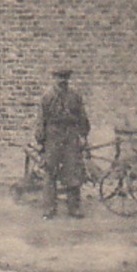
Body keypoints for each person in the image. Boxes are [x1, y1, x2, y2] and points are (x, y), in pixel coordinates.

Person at [38, 68, 90, 219]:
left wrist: (84, 134)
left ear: (68, 79)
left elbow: (82, 116)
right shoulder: (47, 97)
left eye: (65, 78)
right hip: (53, 137)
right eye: (59, 77)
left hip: (71, 136)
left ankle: (74, 208)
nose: (62, 81)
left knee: (73, 171)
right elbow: (41, 120)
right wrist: (41, 140)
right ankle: (49, 209)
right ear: (53, 78)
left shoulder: (75, 96)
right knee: (50, 172)